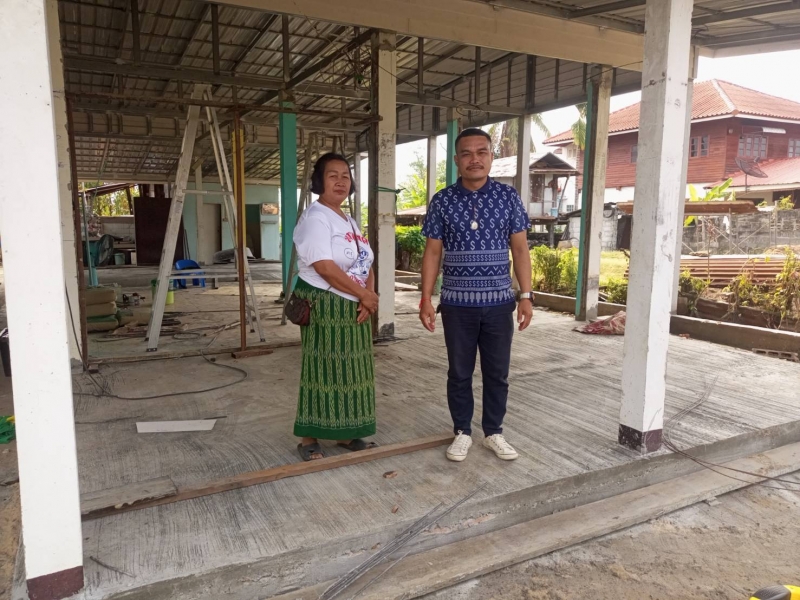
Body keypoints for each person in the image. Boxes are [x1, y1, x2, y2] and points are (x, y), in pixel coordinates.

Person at [419, 128, 533, 463]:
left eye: (481, 152)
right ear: (456, 160)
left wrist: (526, 295)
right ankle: (462, 432)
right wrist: (425, 298)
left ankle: (493, 432)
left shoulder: (508, 197)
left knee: (497, 373)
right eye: (467, 154)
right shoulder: (442, 200)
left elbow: (521, 249)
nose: (474, 159)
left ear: (491, 157)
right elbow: (432, 252)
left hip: (499, 304)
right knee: (459, 372)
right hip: (457, 305)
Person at [292, 153, 379, 461]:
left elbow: (366, 260)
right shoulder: (316, 217)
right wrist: (363, 295)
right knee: (323, 368)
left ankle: (347, 432)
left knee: (353, 370)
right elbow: (325, 267)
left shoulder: (348, 219)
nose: (341, 181)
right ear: (320, 181)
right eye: (333, 175)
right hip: (325, 303)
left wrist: (369, 294)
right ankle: (309, 437)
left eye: (346, 175)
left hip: (353, 302)